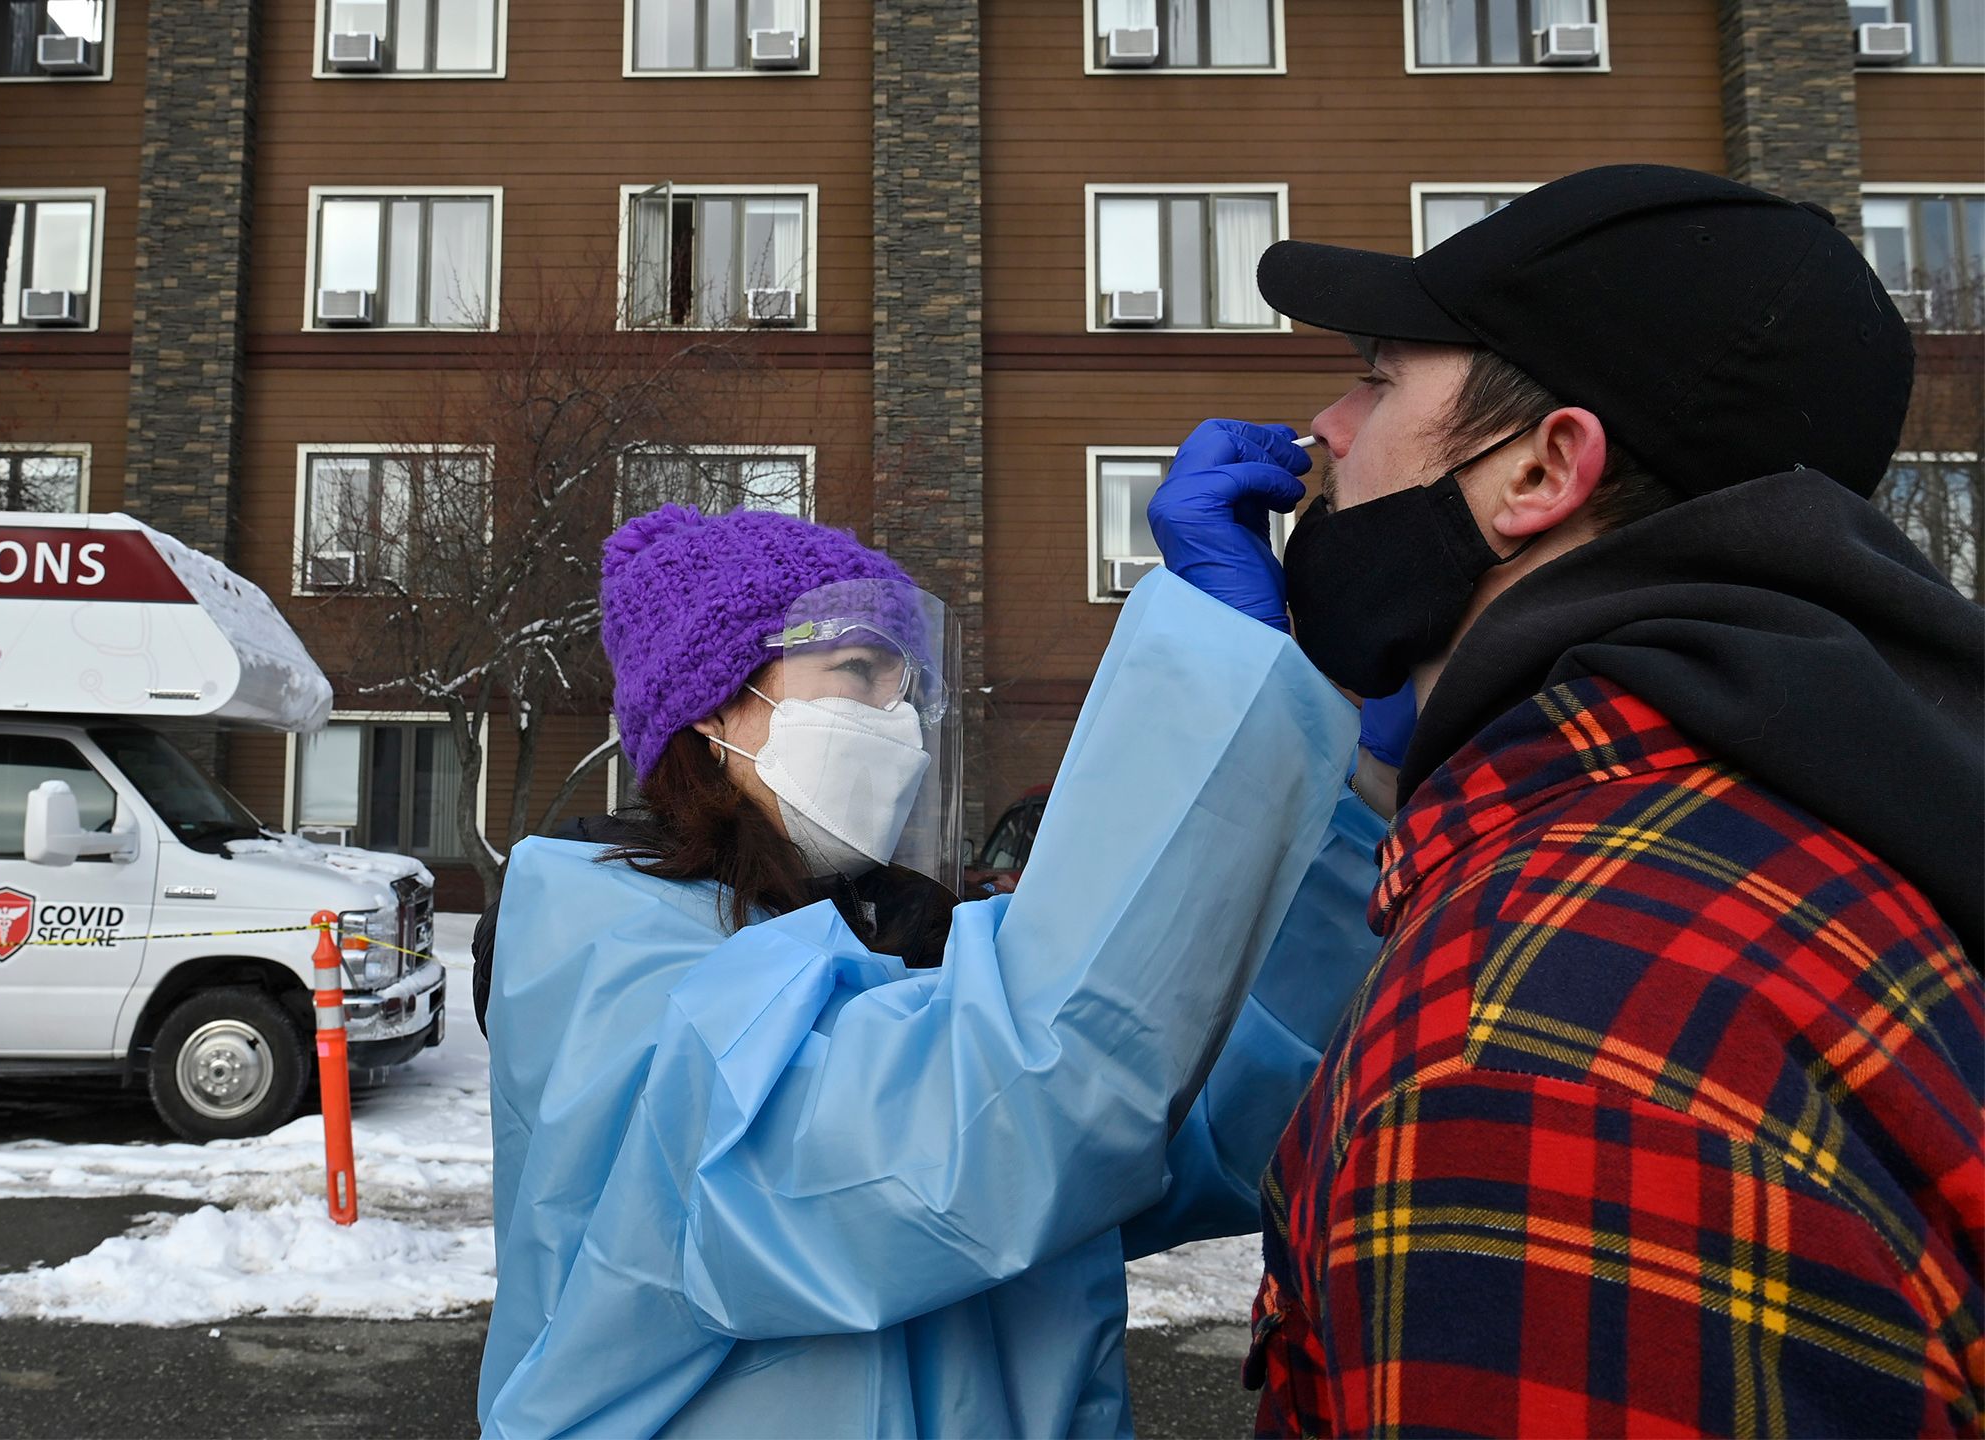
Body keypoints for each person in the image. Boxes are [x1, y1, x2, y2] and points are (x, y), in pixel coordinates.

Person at [1153, 164, 1985, 1435]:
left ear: (1541, 473)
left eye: (1379, 378)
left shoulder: (1531, 1036)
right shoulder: (1805, 816)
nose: (1327, 425)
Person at [475, 503, 1386, 1436]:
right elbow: (982, 1139)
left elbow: (1183, 1121)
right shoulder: (601, 946)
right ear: (714, 703)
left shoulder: (898, 943)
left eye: (910, 686)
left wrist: (1341, 805)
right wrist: (1215, 682)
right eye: (859, 671)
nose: (900, 719)